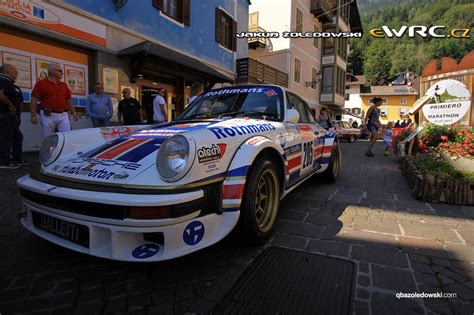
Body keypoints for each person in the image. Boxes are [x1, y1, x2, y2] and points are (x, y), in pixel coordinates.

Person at [30, 63, 78, 138]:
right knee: (49, 138)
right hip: (48, 115)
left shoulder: (63, 85)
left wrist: (74, 112)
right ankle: (51, 150)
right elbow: (34, 100)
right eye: (60, 71)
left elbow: (69, 99)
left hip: (63, 115)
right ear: (52, 71)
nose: (62, 73)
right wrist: (33, 115)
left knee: (67, 137)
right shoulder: (41, 84)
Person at [0, 64, 26, 169]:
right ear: (8, 70)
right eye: (15, 71)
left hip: (11, 116)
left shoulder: (11, 84)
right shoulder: (2, 80)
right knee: (5, 138)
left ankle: (16, 159)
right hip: (5, 114)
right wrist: (11, 105)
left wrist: (17, 115)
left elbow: (19, 101)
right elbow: (0, 95)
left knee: (17, 136)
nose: (16, 73)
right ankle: (4, 162)